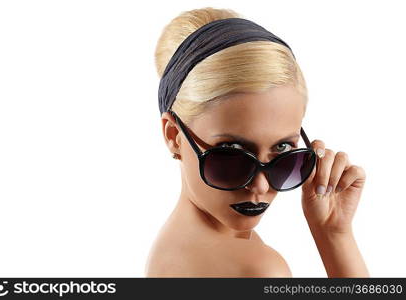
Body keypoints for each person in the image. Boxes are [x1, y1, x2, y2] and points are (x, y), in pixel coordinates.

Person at [145, 7, 369, 277]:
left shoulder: (173, 248)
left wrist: (333, 229)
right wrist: (335, 241)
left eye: (283, 150)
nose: (261, 186)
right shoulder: (256, 269)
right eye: (231, 154)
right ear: (173, 136)